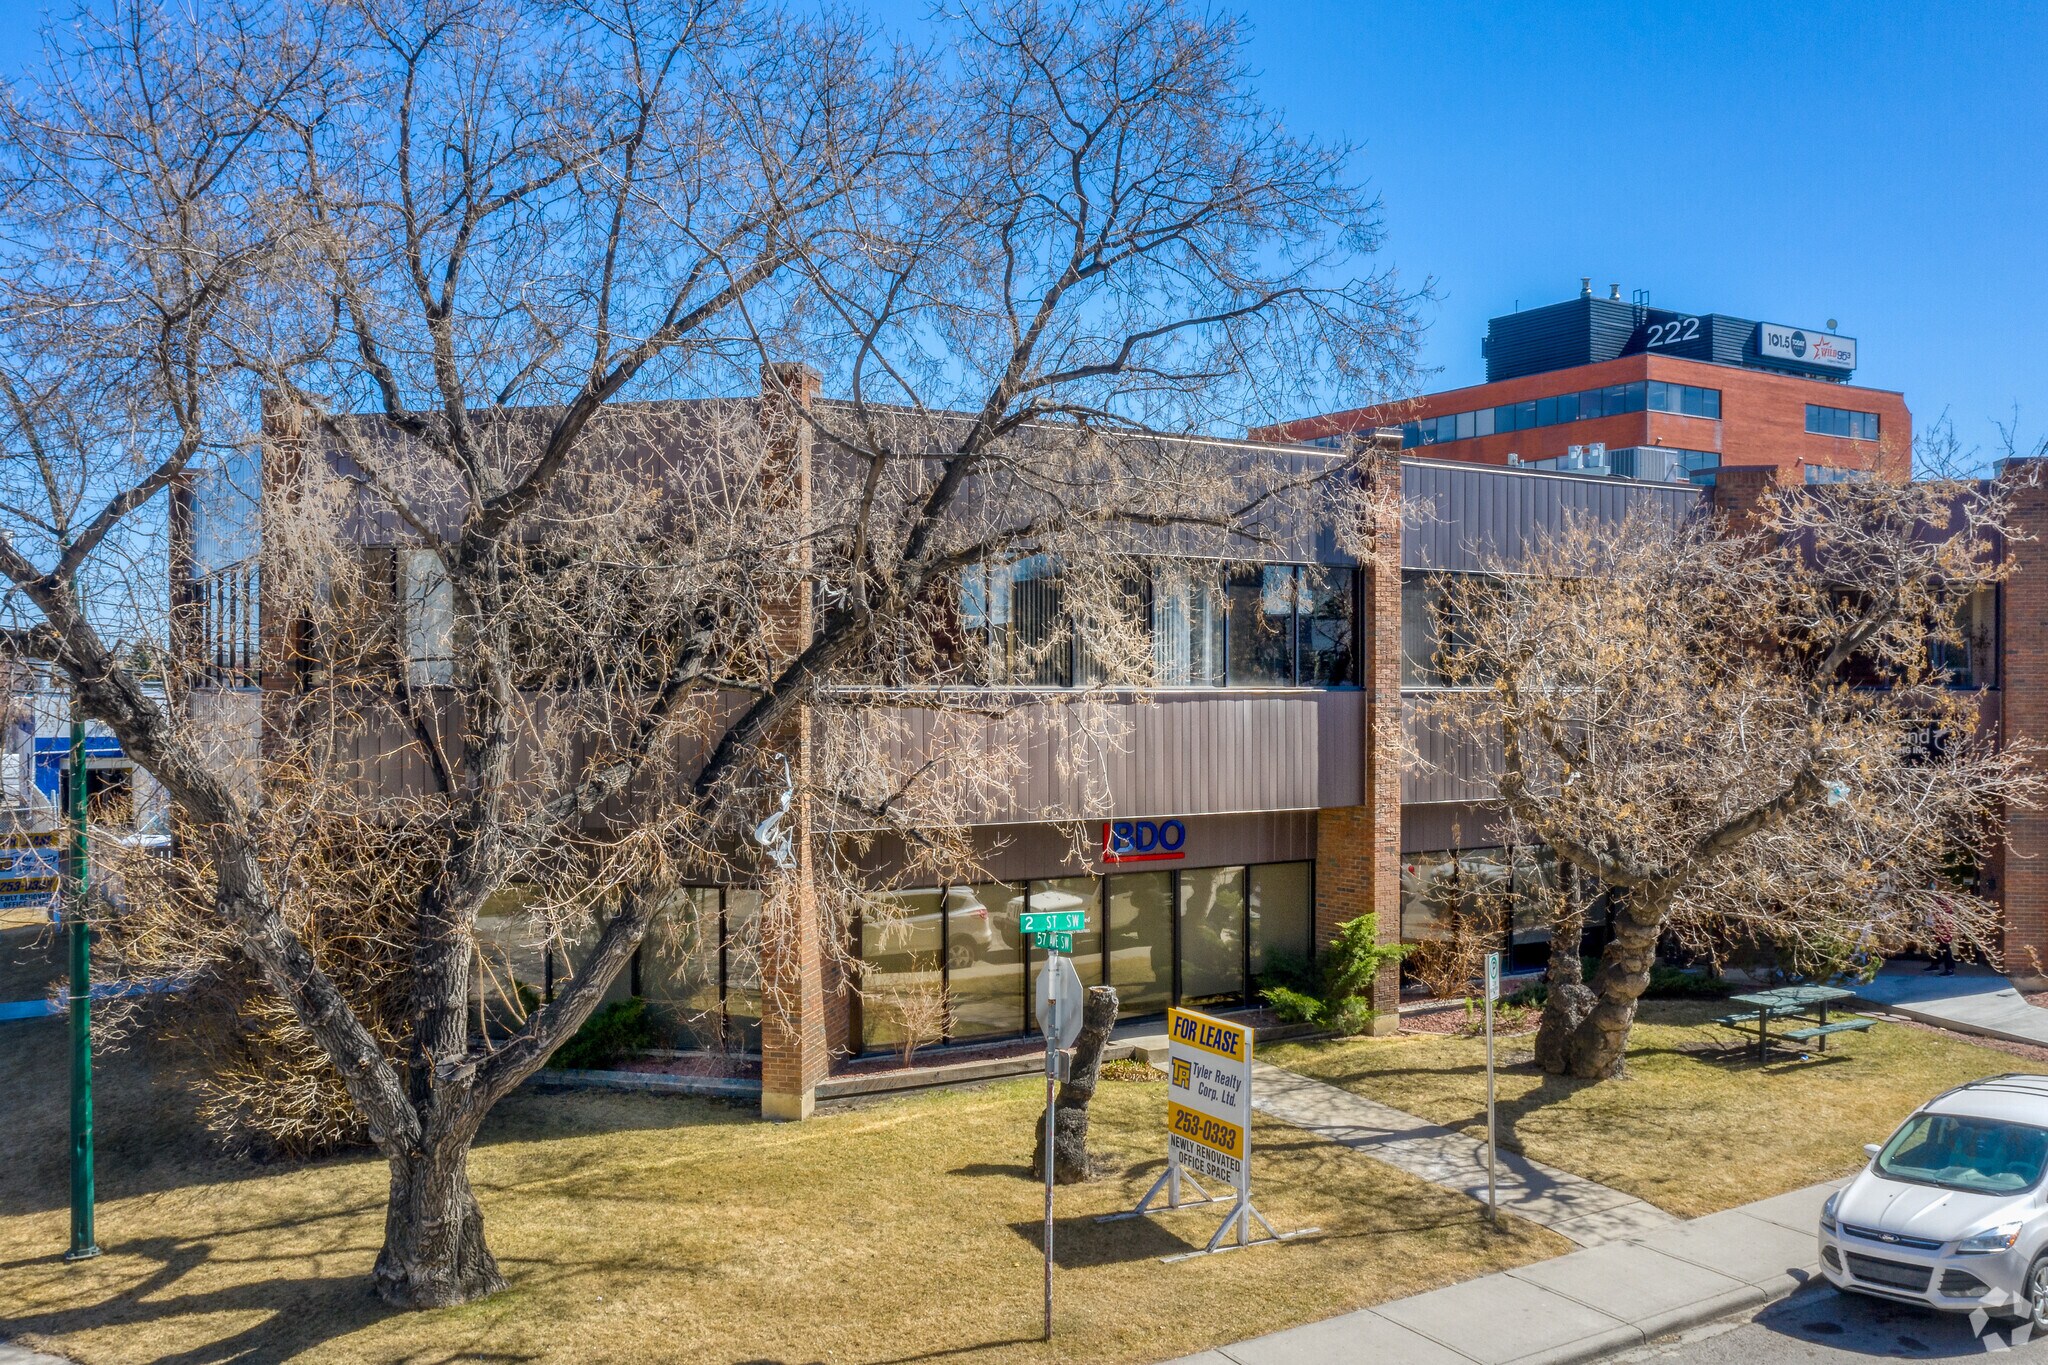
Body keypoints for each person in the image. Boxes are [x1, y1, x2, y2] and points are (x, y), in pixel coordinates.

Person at [1924, 898, 1957, 977]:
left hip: (1942, 931)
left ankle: (1949, 969)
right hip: (1940, 930)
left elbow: (1942, 920)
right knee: (1938, 948)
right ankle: (1935, 964)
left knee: (1945, 949)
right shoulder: (1944, 908)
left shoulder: (1943, 908)